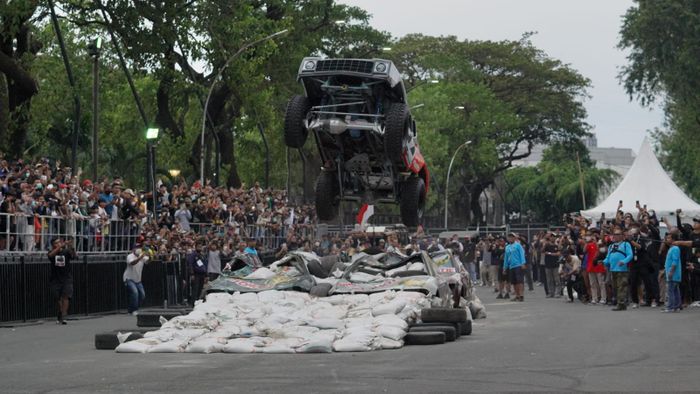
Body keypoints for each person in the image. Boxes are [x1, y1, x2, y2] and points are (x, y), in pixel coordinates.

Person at [48, 238, 77, 324]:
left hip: (66, 278)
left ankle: (64, 316)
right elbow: (51, 256)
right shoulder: (51, 252)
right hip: (55, 279)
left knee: (65, 297)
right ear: (53, 245)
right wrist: (61, 246)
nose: (58, 244)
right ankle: (60, 312)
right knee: (57, 298)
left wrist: (71, 246)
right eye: (56, 243)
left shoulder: (66, 252)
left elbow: (74, 256)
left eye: (59, 242)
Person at [604, 229, 634, 311]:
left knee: (622, 286)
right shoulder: (611, 246)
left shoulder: (625, 244)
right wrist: (605, 262)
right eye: (614, 234)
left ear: (622, 236)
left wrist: (624, 261)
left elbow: (630, 255)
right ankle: (620, 303)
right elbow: (608, 256)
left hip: (622, 269)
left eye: (617, 234)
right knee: (615, 287)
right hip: (613, 269)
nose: (615, 236)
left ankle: (621, 304)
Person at [123, 244, 150, 315]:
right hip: (129, 278)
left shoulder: (142, 255)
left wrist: (150, 255)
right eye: (137, 248)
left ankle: (132, 309)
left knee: (142, 295)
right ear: (133, 249)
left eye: (139, 248)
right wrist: (140, 257)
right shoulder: (130, 256)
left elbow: (148, 261)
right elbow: (132, 263)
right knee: (135, 292)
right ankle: (133, 310)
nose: (138, 249)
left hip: (138, 280)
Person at [663, 233, 682, 313]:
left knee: (671, 291)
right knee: (675, 290)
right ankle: (676, 306)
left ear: (673, 239)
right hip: (672, 273)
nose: (667, 239)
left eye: (669, 238)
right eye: (667, 238)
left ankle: (670, 307)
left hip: (673, 274)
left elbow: (675, 261)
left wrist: (671, 272)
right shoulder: (671, 248)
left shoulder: (675, 248)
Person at [504, 233, 526, 302]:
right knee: (514, 282)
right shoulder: (507, 247)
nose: (510, 238)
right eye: (509, 237)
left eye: (512, 237)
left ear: (514, 238)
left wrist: (523, 263)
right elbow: (506, 258)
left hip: (518, 265)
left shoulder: (518, 245)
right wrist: (505, 267)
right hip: (511, 266)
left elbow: (522, 254)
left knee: (520, 281)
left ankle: (521, 295)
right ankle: (517, 295)